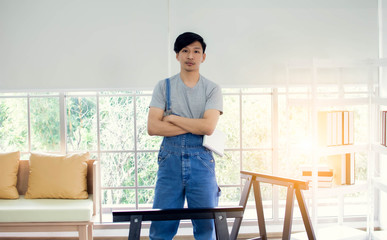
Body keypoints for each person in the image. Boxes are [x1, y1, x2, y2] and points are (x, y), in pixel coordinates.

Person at [147, 32, 223, 240]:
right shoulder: (164, 86)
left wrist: (172, 118)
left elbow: (208, 127)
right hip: (169, 160)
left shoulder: (212, 89)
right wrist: (194, 125)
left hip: (202, 160)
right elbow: (153, 127)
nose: (191, 56)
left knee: (207, 228)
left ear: (203, 57)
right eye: (185, 51)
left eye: (196, 51)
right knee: (161, 227)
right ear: (177, 55)